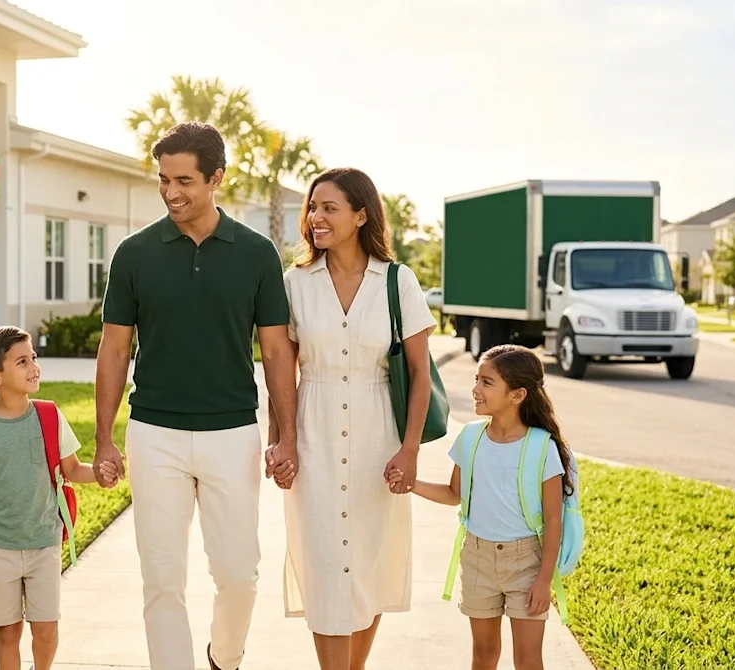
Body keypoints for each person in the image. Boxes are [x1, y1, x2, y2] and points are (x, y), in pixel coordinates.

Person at [92, 121, 299, 670]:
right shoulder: (134, 254)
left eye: (184, 180)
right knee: (161, 578)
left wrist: (289, 437)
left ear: (216, 179)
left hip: (232, 433)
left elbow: (278, 353)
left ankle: (223, 658)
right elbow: (114, 351)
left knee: (238, 573)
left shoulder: (256, 255)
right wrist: (104, 439)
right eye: (163, 180)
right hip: (153, 433)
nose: (171, 192)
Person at [269, 167, 436, 670]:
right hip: (313, 434)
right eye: (312, 208)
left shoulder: (397, 282)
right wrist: (282, 443)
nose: (316, 217)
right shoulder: (294, 283)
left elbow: (420, 374)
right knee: (323, 566)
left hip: (377, 439)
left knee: (366, 566)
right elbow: (282, 372)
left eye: (329, 207)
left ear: (361, 215)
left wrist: (409, 451)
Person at [395, 344, 572, 670]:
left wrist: (544, 579)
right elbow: (454, 494)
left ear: (517, 395)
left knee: (528, 659)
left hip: (526, 563)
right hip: (477, 558)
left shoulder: (541, 446)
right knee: (484, 655)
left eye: (487, 382)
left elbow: (553, 519)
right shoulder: (471, 437)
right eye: (477, 379)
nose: (475, 389)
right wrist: (410, 484)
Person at [0, 326, 117, 670]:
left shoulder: (48, 416)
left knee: (46, 629)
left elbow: (71, 469)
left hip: (44, 542)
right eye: (22, 361)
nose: (34, 367)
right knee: (8, 633)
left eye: (34, 358)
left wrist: (99, 474)